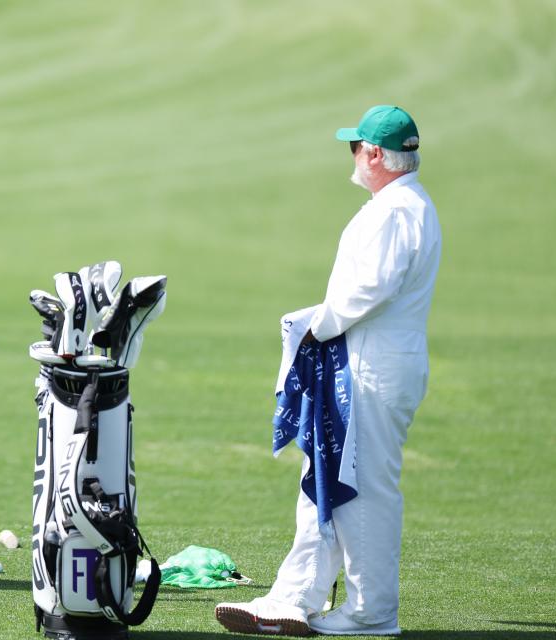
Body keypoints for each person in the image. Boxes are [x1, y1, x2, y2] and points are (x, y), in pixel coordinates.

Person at [216, 105, 441, 635]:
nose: (354, 157)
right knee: (329, 475)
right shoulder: (406, 204)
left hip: (371, 364)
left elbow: (370, 288)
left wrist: (318, 324)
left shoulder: (394, 210)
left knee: (360, 487)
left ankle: (371, 612)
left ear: (374, 154)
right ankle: (294, 596)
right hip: (371, 359)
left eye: (356, 147)